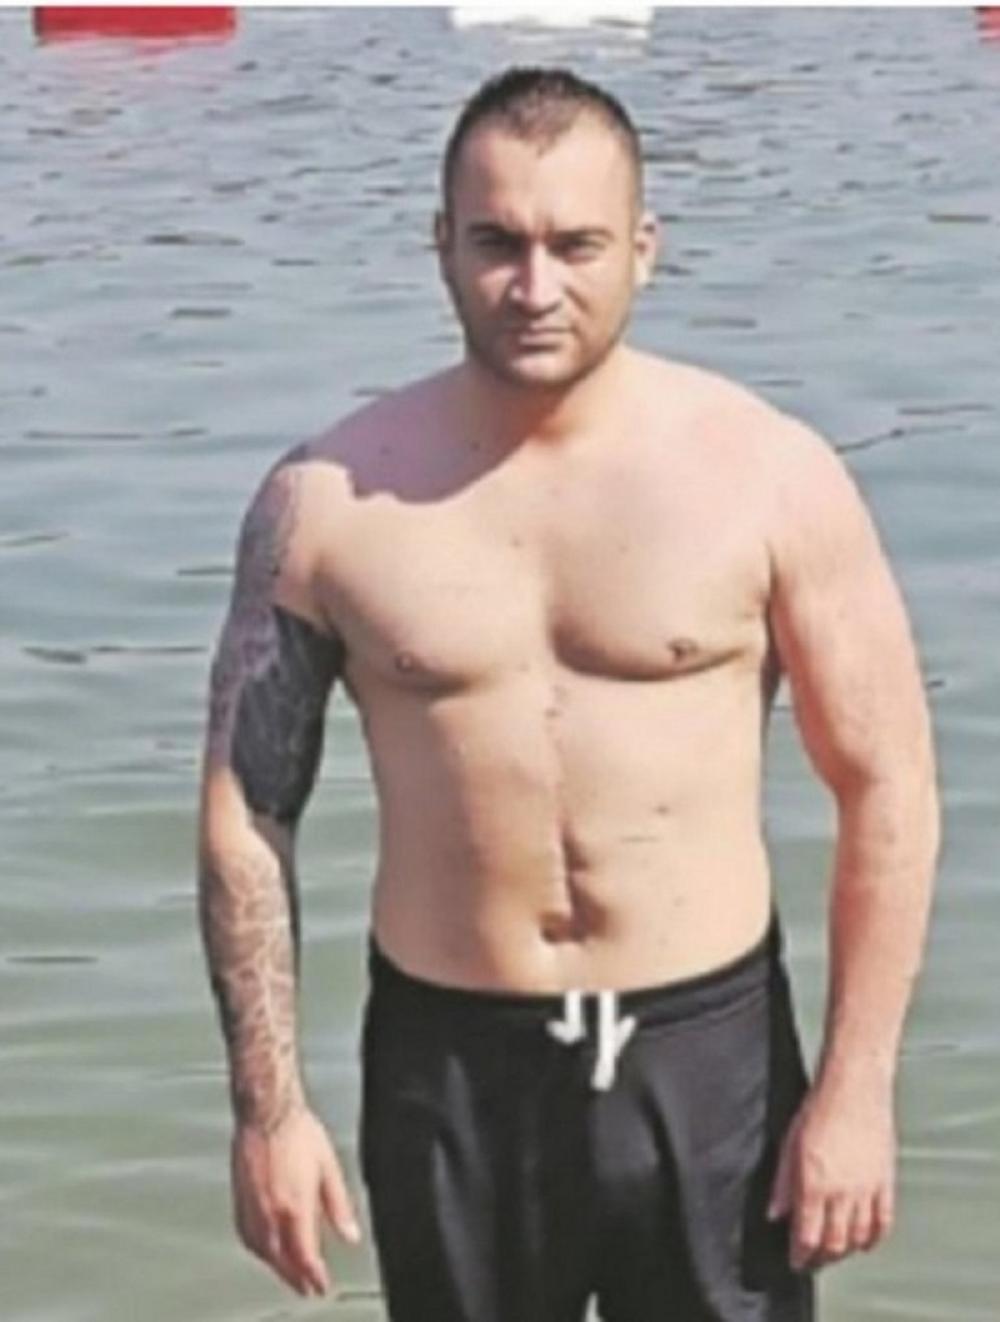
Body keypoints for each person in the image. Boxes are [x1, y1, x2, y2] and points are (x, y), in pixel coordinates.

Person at [197, 66, 939, 1322]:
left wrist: (856, 1088)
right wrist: (268, 1111)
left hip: (704, 1055)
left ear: (643, 248)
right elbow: (244, 819)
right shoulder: (324, 504)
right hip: (453, 1063)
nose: (535, 286)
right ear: (441, 243)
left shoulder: (769, 477)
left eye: (576, 244)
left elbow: (887, 786)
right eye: (497, 242)